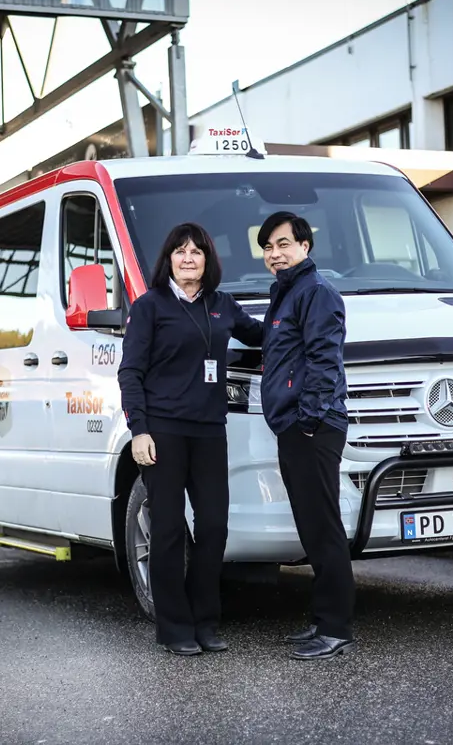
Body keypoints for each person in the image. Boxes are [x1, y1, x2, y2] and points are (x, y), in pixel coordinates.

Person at [118, 222, 263, 656]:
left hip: (209, 431)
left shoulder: (221, 306)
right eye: (179, 251)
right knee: (166, 531)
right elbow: (131, 372)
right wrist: (138, 429)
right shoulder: (150, 307)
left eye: (196, 252)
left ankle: (206, 621)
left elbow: (260, 335)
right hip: (162, 432)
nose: (187, 258)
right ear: (168, 259)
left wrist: (299, 315)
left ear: (207, 260)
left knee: (215, 526)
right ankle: (175, 627)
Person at [256, 210, 355, 661]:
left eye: (283, 245)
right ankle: (322, 621)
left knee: (323, 526)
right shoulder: (287, 293)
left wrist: (309, 419)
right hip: (294, 424)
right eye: (268, 247)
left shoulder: (316, 292)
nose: (275, 254)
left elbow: (324, 361)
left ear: (304, 247)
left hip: (311, 425)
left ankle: (335, 628)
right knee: (311, 528)